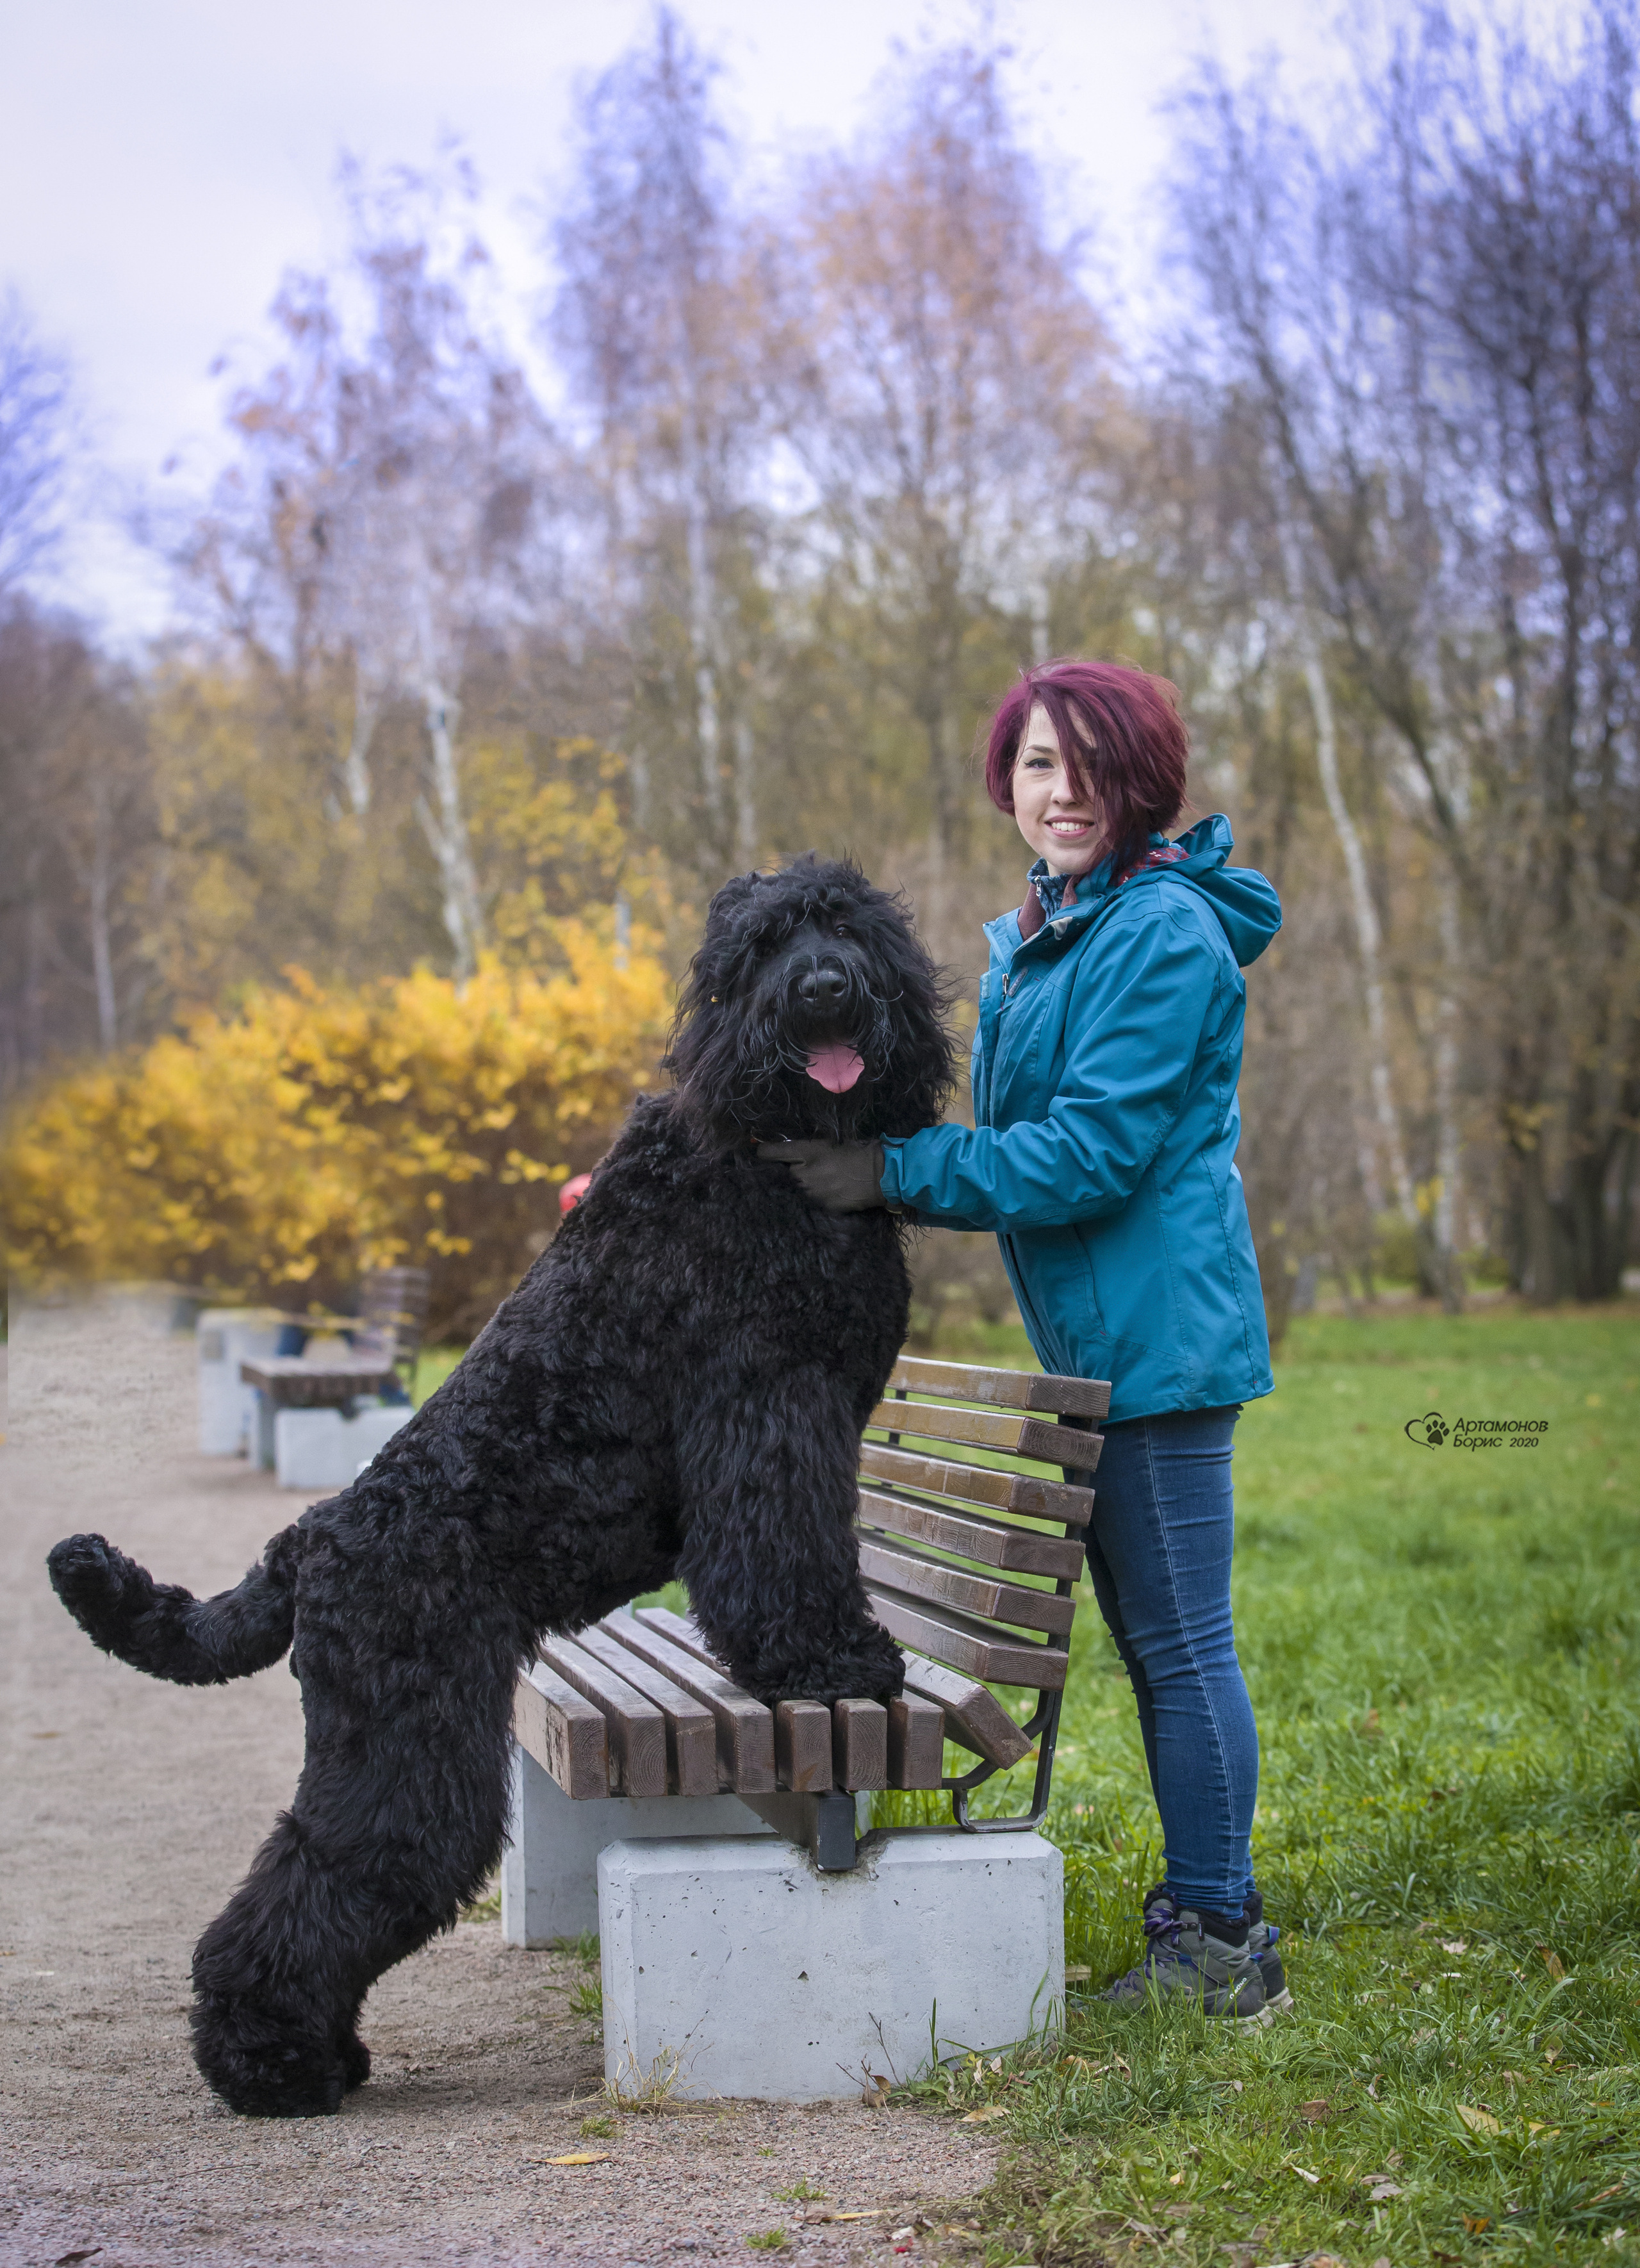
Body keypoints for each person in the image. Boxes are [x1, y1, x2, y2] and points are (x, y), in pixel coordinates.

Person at [760, 659, 1290, 2026]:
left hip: (1157, 1348)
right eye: (1039, 764)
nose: (1064, 792)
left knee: (1177, 1644)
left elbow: (1084, 1158)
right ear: (1007, 782)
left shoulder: (1156, 932)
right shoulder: (1056, 930)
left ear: (1142, 780)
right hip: (1099, 1343)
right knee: (1160, 1638)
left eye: (1092, 764)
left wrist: (891, 1170)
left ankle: (1222, 1936)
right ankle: (1208, 1910)